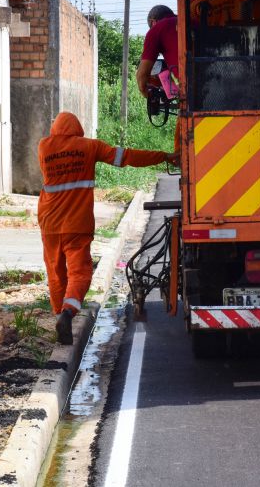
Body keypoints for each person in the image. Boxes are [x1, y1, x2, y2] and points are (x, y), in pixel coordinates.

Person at [38, 112, 177, 345]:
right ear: (78, 128)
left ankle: (58, 316)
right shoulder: (88, 146)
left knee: (55, 272)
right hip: (77, 224)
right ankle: (68, 313)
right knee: (79, 272)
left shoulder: (44, 146)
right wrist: (162, 156)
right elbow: (127, 157)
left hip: (49, 223)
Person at [136, 5, 180, 152]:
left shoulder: (156, 30)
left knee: (181, 144)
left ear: (153, 22)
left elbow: (142, 77)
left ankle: (180, 159)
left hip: (196, 93)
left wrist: (150, 98)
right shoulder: (187, 21)